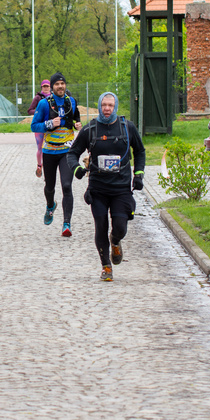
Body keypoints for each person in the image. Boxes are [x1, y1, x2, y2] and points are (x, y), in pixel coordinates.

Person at [67, 91, 145, 282]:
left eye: (110, 105)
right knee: (100, 227)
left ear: (115, 106)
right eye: (104, 105)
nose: (107, 109)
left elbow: (140, 151)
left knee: (119, 227)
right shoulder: (90, 129)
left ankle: (116, 241)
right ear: (100, 106)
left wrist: (139, 174)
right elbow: (72, 153)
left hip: (120, 188)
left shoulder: (127, 127)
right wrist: (77, 168)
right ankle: (106, 267)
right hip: (98, 188)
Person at [30, 72, 82, 237]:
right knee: (50, 187)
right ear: (52, 87)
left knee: (67, 186)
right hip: (49, 151)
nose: (60, 86)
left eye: (63, 83)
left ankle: (67, 224)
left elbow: (74, 120)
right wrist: (49, 123)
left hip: (67, 151)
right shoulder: (45, 104)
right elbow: (34, 126)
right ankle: (50, 205)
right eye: (57, 84)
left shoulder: (71, 102)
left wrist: (77, 125)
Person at [28, 79, 52, 177]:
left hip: (50, 126)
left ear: (50, 87)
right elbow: (29, 110)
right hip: (39, 126)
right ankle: (39, 166)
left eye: (47, 86)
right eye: (44, 86)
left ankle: (48, 168)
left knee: (49, 147)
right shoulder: (38, 98)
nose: (46, 88)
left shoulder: (53, 97)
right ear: (41, 87)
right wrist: (39, 111)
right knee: (40, 148)